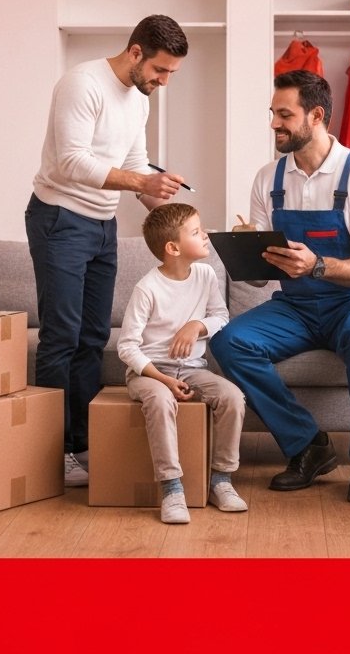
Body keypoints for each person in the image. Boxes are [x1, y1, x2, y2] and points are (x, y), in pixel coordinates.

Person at [209, 70, 350, 504]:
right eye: (273, 113)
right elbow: (258, 278)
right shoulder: (268, 180)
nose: (274, 123)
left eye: (284, 114)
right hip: (296, 307)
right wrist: (247, 253)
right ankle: (309, 446)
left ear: (316, 115)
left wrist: (316, 266)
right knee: (230, 342)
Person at [25, 14, 190, 487]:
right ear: (136, 52)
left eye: (172, 74)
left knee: (94, 337)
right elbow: (70, 161)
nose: (163, 81)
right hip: (59, 217)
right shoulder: (82, 84)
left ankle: (79, 445)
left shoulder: (139, 99)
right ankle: (47, 454)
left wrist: (177, 210)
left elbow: (136, 166)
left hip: (102, 224)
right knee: (61, 336)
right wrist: (142, 180)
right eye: (161, 70)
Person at [118, 203, 248, 524]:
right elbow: (127, 347)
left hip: (192, 370)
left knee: (233, 397)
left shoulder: (205, 275)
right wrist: (161, 379)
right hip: (148, 372)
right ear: (173, 248)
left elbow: (220, 315)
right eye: (196, 232)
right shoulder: (147, 289)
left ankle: (221, 479)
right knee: (161, 401)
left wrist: (196, 326)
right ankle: (172, 488)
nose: (205, 235)